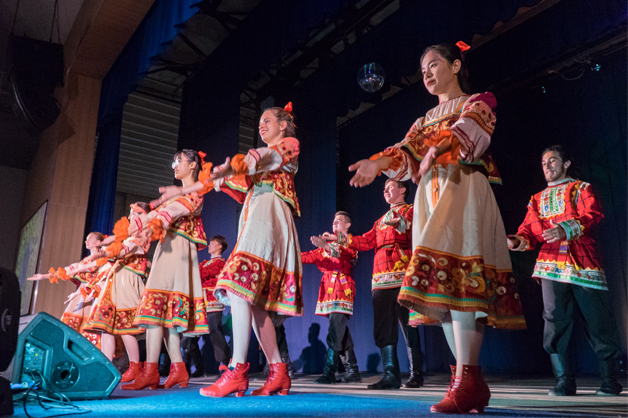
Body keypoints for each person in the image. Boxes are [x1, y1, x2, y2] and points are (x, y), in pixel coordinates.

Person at [348, 43, 526, 413]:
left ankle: (468, 379)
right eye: (423, 69)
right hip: (431, 197)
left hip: (463, 189)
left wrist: (436, 149)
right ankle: (465, 380)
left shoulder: (478, 101)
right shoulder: (423, 120)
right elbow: (405, 151)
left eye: (433, 65)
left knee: (462, 281)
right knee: (441, 288)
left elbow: (469, 134)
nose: (427, 73)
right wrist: (377, 163)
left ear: (456, 65)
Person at [155, 103, 302, 397]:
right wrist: (185, 189)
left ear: (283, 125)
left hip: (269, 218)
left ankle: (237, 369)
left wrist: (233, 167)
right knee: (253, 301)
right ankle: (278, 372)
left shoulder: (288, 145)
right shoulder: (259, 161)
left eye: (267, 120)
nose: (261, 125)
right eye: (260, 122)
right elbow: (234, 182)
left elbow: (259, 159)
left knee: (237, 286)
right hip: (255, 218)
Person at [507, 145, 623, 396]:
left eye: (552, 161)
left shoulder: (581, 189)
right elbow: (528, 230)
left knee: (598, 320)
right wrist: (515, 241)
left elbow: (593, 214)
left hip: (583, 262)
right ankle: (564, 381)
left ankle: (610, 380)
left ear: (566, 163)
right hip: (551, 265)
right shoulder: (537, 199)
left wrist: (566, 229)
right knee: (554, 321)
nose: (547, 166)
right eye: (544, 163)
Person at [119, 149, 209, 390]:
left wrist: (147, 220)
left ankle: (151, 370)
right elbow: (159, 215)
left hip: (177, 251)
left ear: (193, 165)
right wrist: (140, 221)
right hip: (166, 250)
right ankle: (178, 368)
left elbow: (169, 214)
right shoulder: (175, 197)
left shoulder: (195, 191)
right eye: (173, 162)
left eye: (179, 161)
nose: (175, 166)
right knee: (163, 312)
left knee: (155, 307)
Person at [326, 180, 424, 390]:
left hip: (403, 274)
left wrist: (401, 224)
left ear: (402, 189)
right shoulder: (380, 221)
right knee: (383, 326)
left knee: (409, 325)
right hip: (380, 278)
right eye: (384, 188)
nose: (385, 190)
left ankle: (416, 374)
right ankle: (391, 375)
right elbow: (366, 241)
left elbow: (414, 229)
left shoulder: (411, 211)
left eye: (390, 187)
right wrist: (339, 238)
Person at [82, 202, 152, 383]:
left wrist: (105, 250)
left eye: (133, 214)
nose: (129, 217)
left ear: (142, 216)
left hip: (127, 279)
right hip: (116, 279)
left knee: (125, 327)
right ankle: (107, 367)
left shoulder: (141, 235)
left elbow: (123, 251)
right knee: (107, 327)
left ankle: (136, 367)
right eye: (130, 214)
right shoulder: (130, 236)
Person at [302, 211, 361, 384]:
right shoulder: (325, 247)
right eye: (334, 221)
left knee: (335, 331)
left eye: (339, 221)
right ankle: (352, 370)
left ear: (348, 225)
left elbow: (345, 254)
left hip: (343, 289)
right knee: (340, 331)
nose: (335, 223)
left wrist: (326, 246)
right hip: (328, 291)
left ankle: (329, 372)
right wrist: (289, 253)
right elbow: (309, 256)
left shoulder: (350, 243)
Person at [28, 232, 107, 349]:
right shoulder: (86, 260)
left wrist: (81, 283)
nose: (86, 241)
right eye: (86, 239)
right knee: (72, 324)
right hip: (81, 295)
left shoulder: (102, 258)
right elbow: (70, 269)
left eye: (90, 239)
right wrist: (44, 276)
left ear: (98, 242)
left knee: (89, 329)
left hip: (93, 294)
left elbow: (89, 272)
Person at [183, 235, 232, 377]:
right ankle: (196, 367)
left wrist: (196, 273)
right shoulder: (204, 263)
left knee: (215, 331)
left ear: (220, 246)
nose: (209, 246)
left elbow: (201, 274)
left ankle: (224, 364)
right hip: (199, 302)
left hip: (212, 301)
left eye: (213, 243)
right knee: (190, 335)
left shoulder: (221, 263)